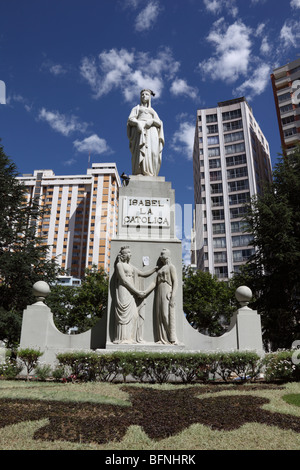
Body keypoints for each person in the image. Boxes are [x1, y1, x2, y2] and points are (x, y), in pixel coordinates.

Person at [114, 246, 156, 344]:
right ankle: (123, 339)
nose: (130, 254)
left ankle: (130, 338)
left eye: (130, 252)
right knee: (124, 314)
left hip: (131, 291)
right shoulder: (119, 265)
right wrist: (137, 291)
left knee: (134, 315)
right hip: (124, 290)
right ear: (124, 255)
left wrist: (155, 269)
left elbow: (143, 273)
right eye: (128, 252)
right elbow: (124, 280)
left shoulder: (131, 266)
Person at [127, 89, 164, 177]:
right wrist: (138, 123)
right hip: (140, 131)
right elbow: (130, 119)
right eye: (142, 94)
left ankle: (151, 172)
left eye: (146, 94)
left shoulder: (153, 111)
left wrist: (151, 121)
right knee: (140, 151)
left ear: (150, 97)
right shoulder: (136, 108)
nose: (144, 96)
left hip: (152, 132)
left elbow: (159, 123)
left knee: (153, 152)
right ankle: (139, 171)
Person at [155, 248, 178, 344]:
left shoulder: (171, 267)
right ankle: (162, 338)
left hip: (167, 289)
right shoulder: (160, 269)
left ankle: (172, 338)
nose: (161, 256)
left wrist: (173, 295)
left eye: (162, 254)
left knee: (165, 314)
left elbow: (175, 281)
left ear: (167, 256)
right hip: (159, 289)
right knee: (159, 315)